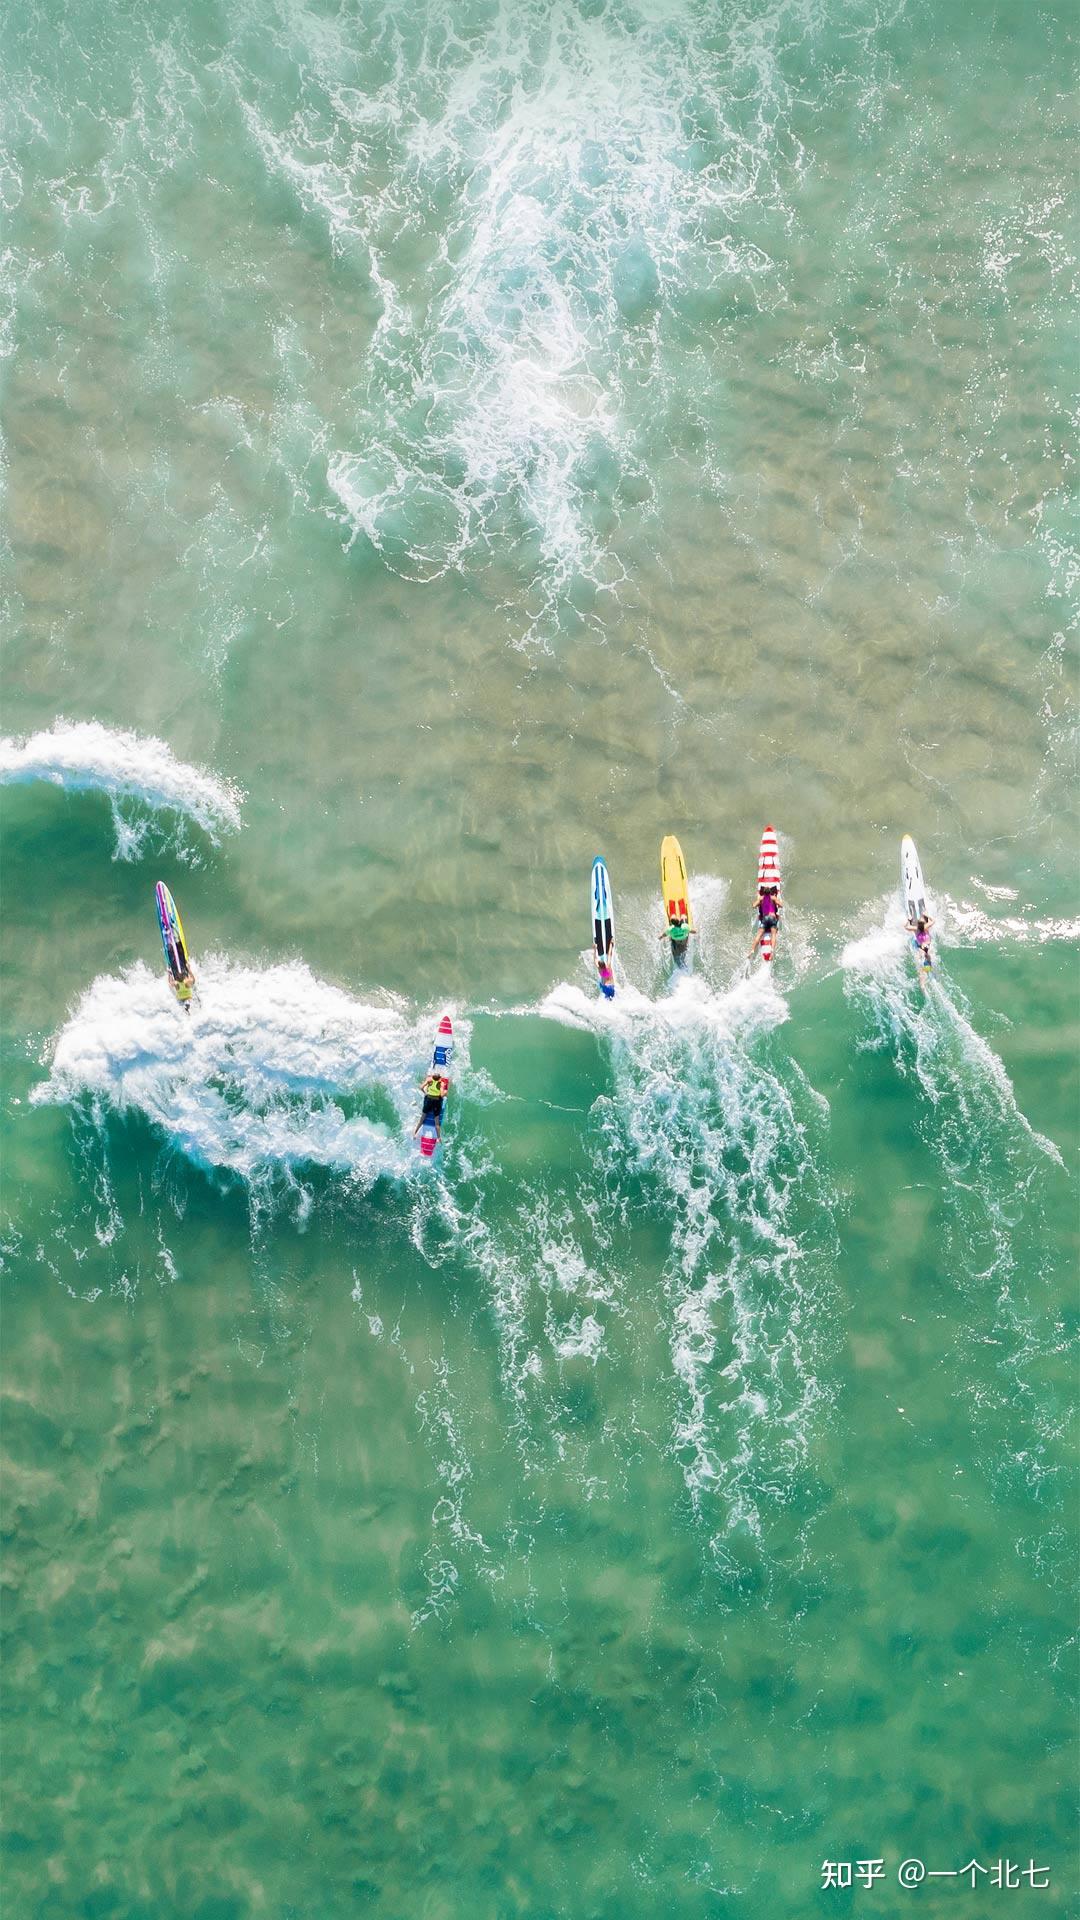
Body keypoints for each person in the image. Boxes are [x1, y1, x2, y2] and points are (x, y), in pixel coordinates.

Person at [749, 882, 783, 958]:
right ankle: (772, 952)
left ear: (763, 892)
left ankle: (752, 950)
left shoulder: (761, 898)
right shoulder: (773, 898)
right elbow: (781, 905)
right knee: (773, 934)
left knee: (759, 935)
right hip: (772, 918)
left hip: (765, 918)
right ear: (771, 892)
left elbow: (754, 906)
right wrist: (777, 903)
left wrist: (757, 902)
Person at [413, 1072, 445, 1140]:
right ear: (439, 1078)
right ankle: (438, 1138)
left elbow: (421, 1087)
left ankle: (415, 1134)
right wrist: (445, 1093)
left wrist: (426, 1093)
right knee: (436, 1121)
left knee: (422, 1118)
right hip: (436, 1102)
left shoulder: (429, 1080)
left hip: (428, 1100)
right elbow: (442, 1095)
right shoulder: (441, 1083)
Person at [906, 912, 934, 980]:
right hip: (927, 947)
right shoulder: (926, 927)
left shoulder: (916, 929)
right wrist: (927, 915)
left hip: (921, 948)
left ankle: (923, 983)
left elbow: (906, 927)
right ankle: (928, 972)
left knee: (920, 966)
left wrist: (909, 920)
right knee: (927, 961)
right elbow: (933, 921)